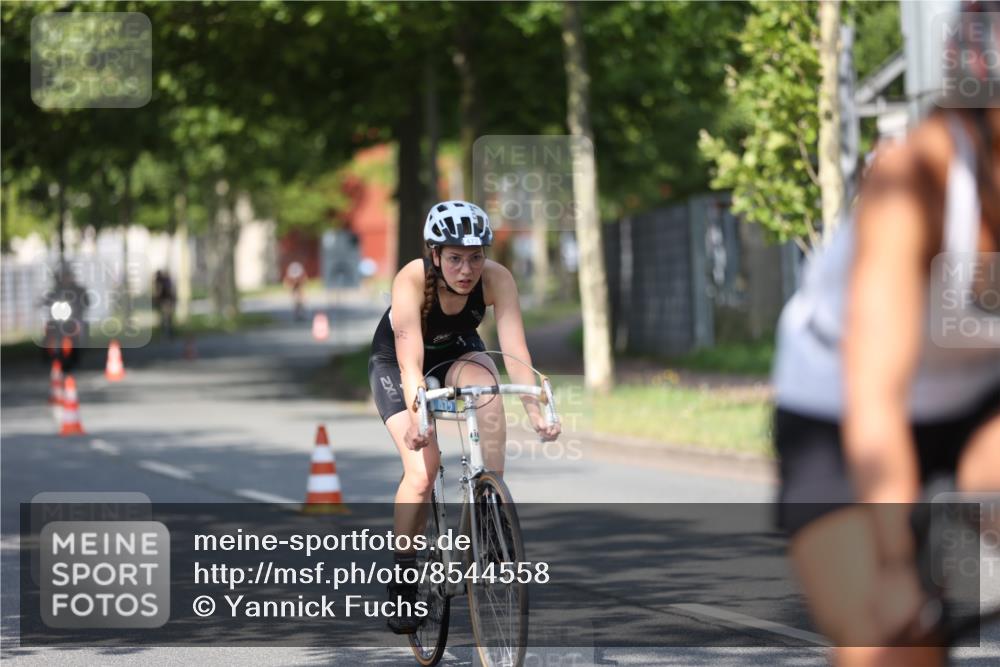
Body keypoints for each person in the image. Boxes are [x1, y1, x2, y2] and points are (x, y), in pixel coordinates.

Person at [772, 5, 1000, 664]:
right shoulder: (918, 181)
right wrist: (899, 562)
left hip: (982, 399)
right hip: (839, 407)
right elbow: (873, 395)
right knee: (887, 634)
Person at [368, 200, 561, 634]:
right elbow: (410, 362)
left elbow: (515, 353)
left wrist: (536, 410)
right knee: (422, 470)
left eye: (476, 256)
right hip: (400, 364)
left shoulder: (497, 280)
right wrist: (420, 416)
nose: (466, 269)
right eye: (455, 257)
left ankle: (489, 518)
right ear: (435, 255)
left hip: (457, 350)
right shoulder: (411, 279)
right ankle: (402, 582)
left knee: (488, 389)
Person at [152, 270, 176, 340]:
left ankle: (167, 334)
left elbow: (159, 292)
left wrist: (156, 299)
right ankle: (169, 333)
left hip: (165, 302)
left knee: (165, 318)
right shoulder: (167, 281)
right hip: (168, 301)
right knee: (168, 318)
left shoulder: (160, 281)